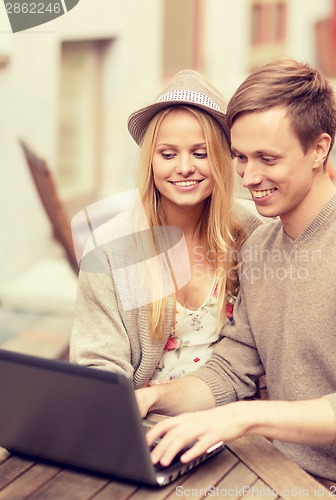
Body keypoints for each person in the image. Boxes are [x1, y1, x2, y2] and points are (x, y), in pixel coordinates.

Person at [138, 59, 336, 490]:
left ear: (320, 149)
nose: (249, 178)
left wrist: (242, 417)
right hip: (270, 471)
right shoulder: (258, 247)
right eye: (239, 157)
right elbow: (234, 369)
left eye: (267, 159)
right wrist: (156, 397)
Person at [69, 70, 262, 386]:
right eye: (168, 154)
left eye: (200, 153)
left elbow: (308, 222)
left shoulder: (251, 232)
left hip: (229, 415)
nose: (184, 167)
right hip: (144, 418)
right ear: (150, 162)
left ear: (222, 157)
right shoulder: (110, 248)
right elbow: (97, 364)